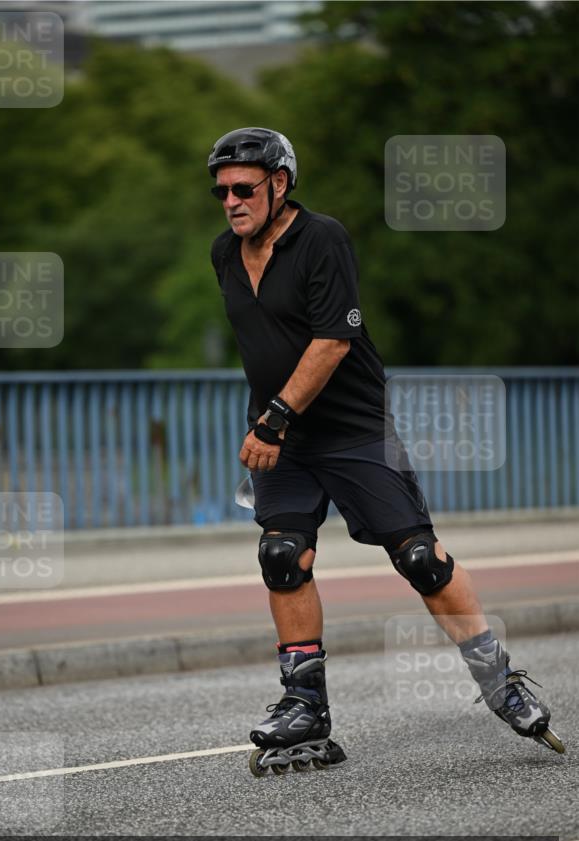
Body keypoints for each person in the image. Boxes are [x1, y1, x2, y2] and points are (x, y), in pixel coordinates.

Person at [208, 126, 564, 776]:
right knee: (282, 555)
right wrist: (273, 424)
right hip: (285, 438)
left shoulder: (322, 239)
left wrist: (273, 420)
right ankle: (303, 706)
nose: (230, 201)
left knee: (421, 559)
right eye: (221, 191)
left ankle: (498, 680)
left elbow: (331, 341)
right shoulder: (225, 254)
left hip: (351, 429)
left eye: (243, 188)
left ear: (280, 184)